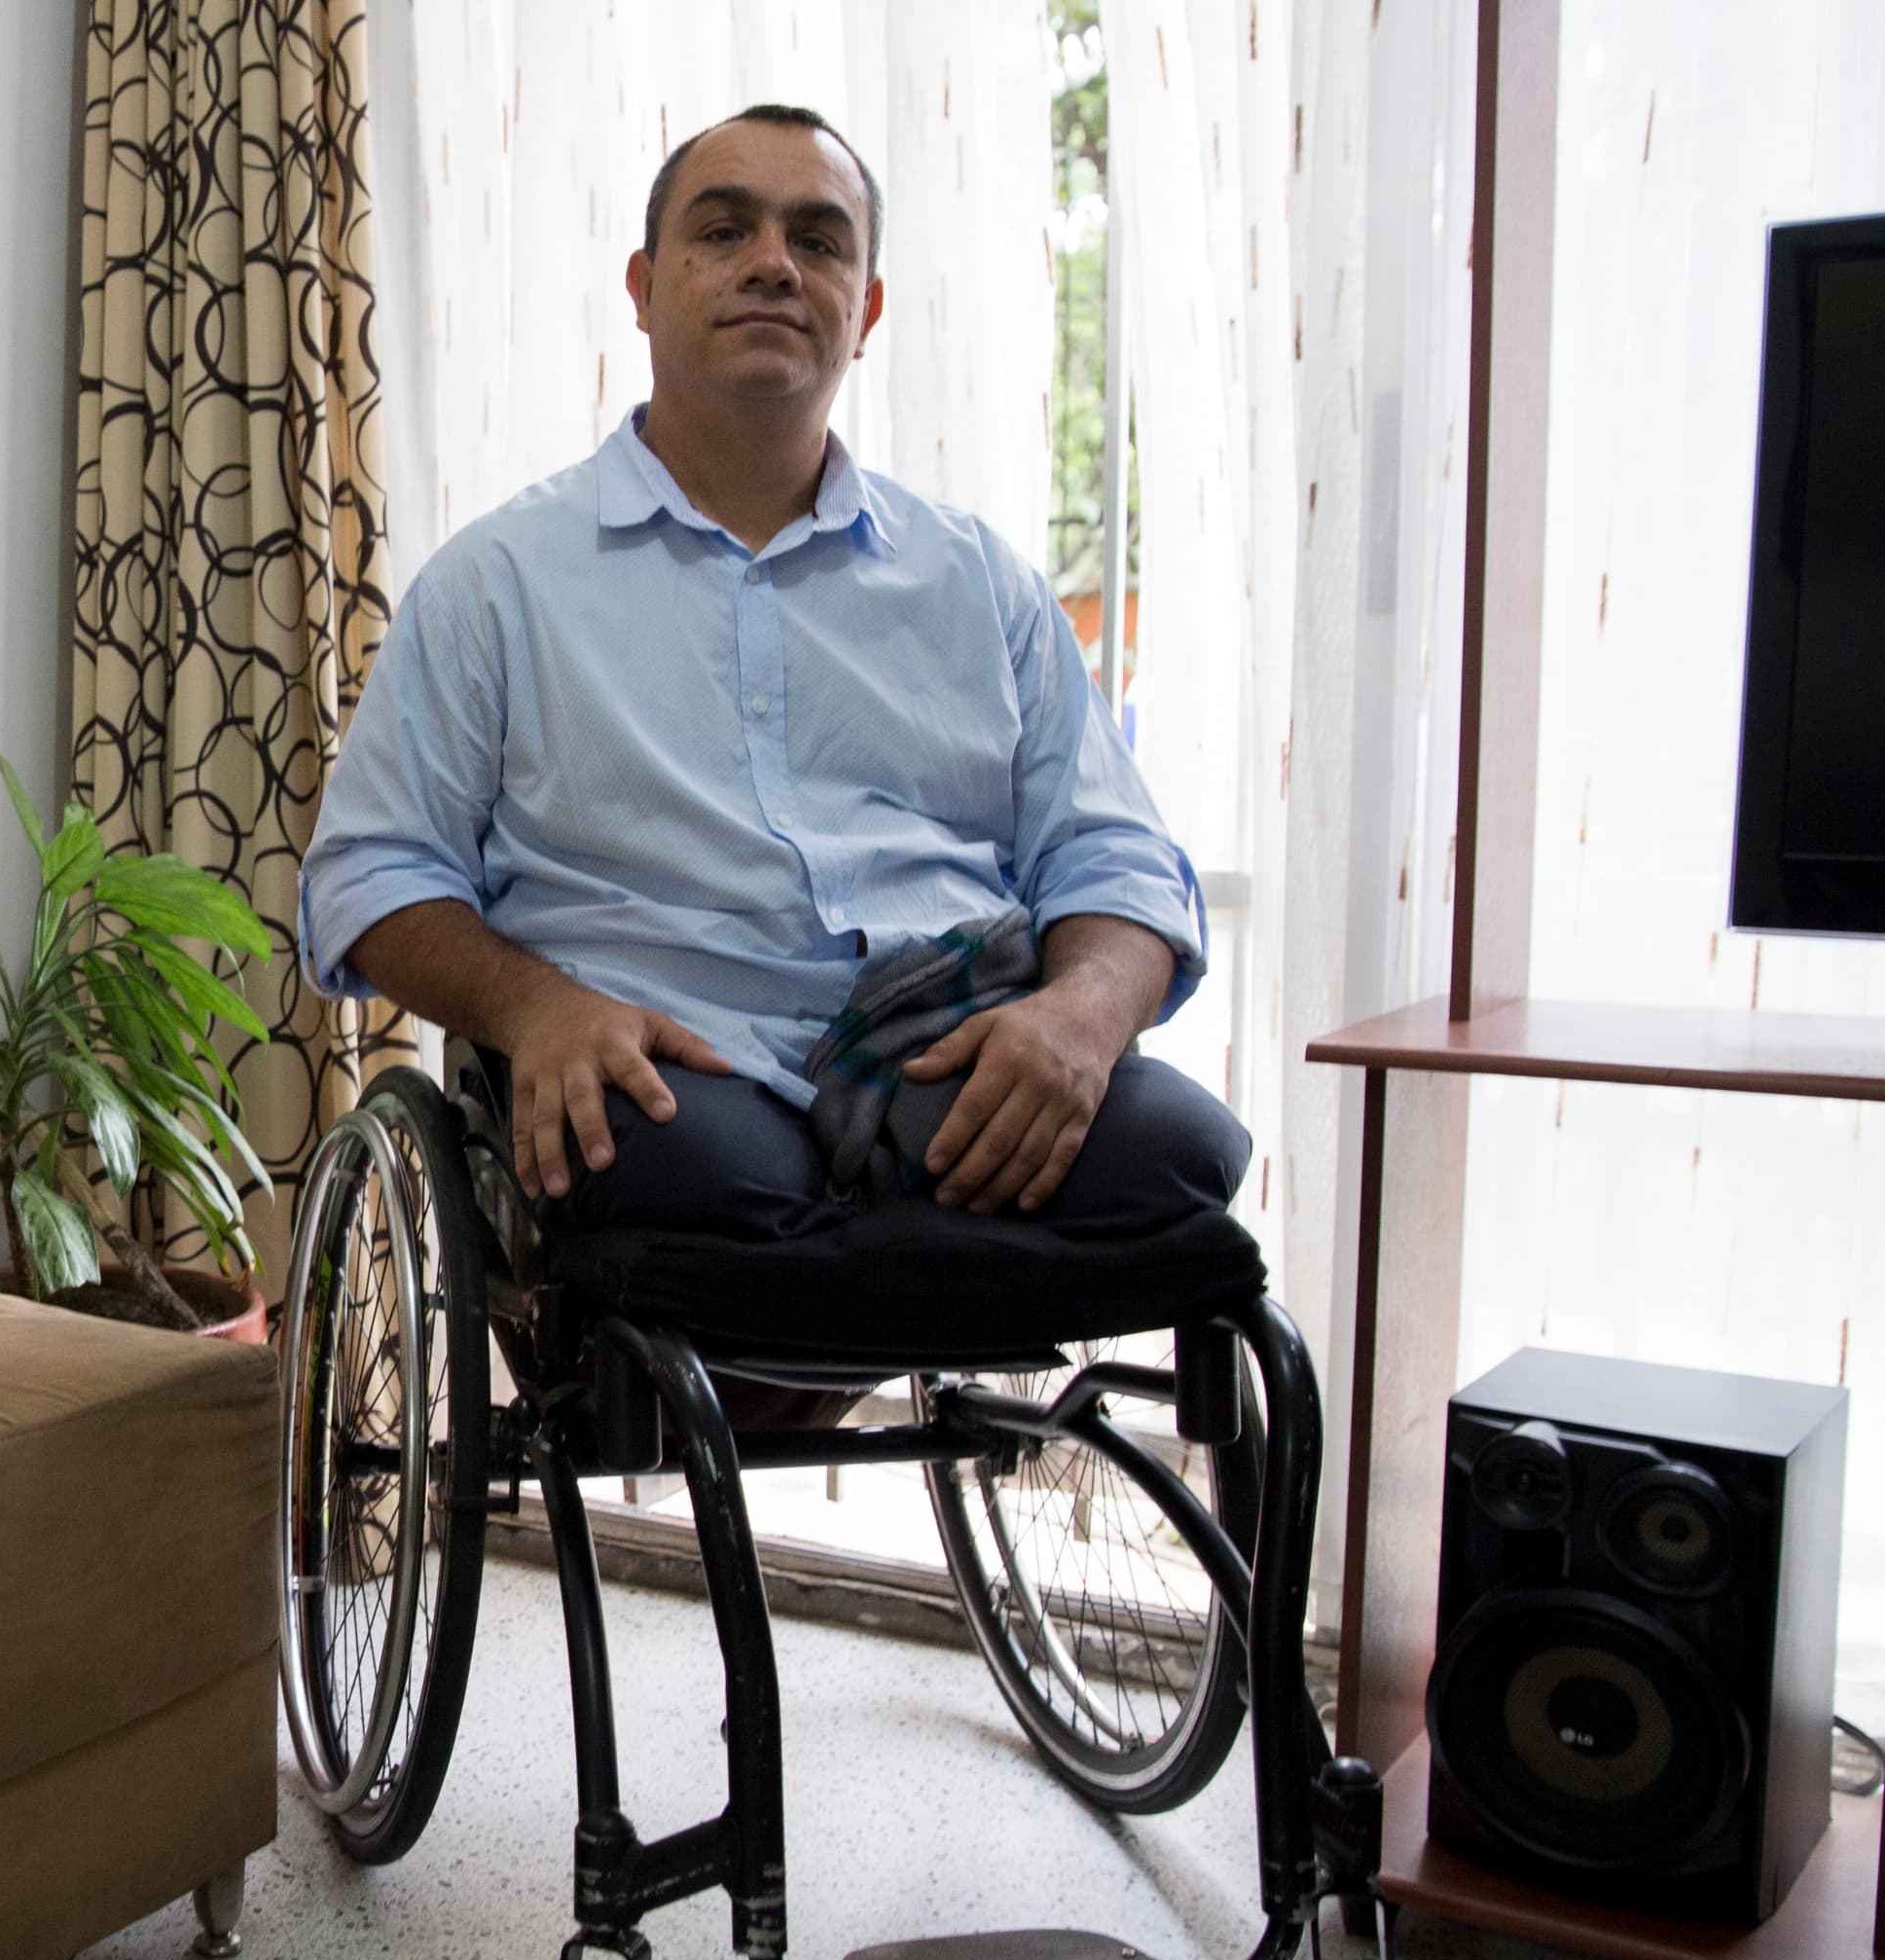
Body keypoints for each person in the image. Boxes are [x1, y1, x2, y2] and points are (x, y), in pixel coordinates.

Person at [298, 104, 1245, 1248]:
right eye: (723, 231)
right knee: (679, 1180)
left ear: (867, 309)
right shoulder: (495, 585)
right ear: (643, 289)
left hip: (949, 1039)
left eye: (819, 239)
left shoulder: (980, 584)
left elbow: (1116, 855)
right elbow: (368, 872)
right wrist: (533, 1003)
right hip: (673, 1060)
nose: (772, 267)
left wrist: (1081, 1019)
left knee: (1181, 1156)